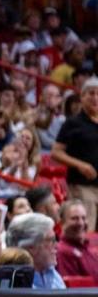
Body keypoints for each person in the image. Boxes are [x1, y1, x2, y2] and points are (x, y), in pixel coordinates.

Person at [51, 76, 98, 230]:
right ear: (82, 97)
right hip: (82, 186)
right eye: (91, 93)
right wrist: (80, 165)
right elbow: (56, 152)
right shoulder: (73, 123)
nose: (95, 98)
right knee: (84, 231)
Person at [5, 213, 65, 289]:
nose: (56, 245)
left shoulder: (53, 274)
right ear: (31, 247)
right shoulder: (13, 281)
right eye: (51, 240)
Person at [57, 199, 98, 282]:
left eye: (84, 218)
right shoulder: (63, 252)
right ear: (62, 223)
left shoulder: (87, 246)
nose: (81, 223)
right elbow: (72, 290)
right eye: (74, 218)